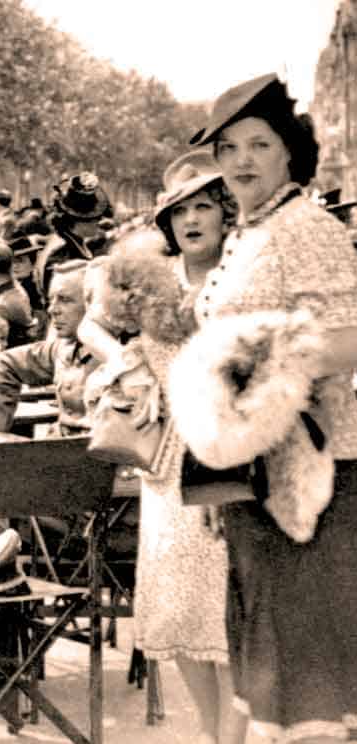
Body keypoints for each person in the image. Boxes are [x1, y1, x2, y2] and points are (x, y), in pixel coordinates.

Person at [180, 73, 357, 742]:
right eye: (226, 149)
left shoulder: (305, 226)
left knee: (308, 690)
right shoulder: (252, 230)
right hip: (256, 480)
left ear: (289, 152)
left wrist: (247, 365)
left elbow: (348, 340)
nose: (240, 162)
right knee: (271, 676)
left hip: (315, 479)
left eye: (257, 144)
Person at [78, 149, 246, 744]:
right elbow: (87, 325)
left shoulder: (246, 276)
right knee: (177, 611)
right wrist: (130, 366)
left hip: (234, 453)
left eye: (205, 206)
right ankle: (211, 732)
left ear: (227, 214)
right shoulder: (151, 283)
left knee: (234, 619)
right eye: (180, 212)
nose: (193, 220)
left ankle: (232, 739)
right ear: (168, 225)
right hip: (167, 464)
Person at [0, 261, 94, 435]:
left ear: (94, 304)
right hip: (61, 453)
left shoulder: (124, 352)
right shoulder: (61, 348)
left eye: (65, 300)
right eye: (51, 300)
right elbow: (6, 363)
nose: (52, 309)